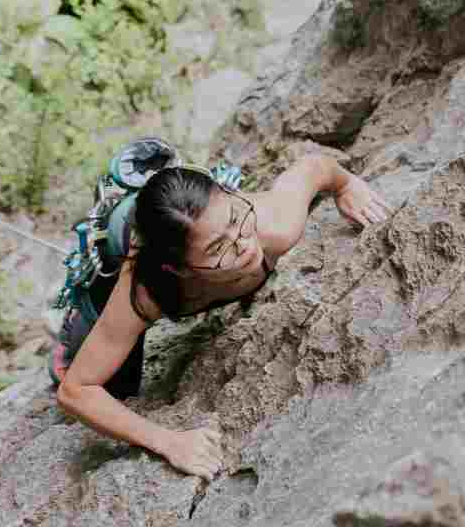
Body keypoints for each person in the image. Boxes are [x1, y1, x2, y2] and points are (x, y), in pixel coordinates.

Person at [52, 154, 391, 481]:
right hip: (124, 237)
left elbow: (315, 167)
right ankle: (77, 312)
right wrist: (167, 441)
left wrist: (347, 185)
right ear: (179, 269)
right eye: (218, 249)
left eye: (235, 221)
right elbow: (76, 390)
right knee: (115, 387)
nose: (244, 245)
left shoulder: (271, 224)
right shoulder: (147, 292)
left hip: (185, 216)